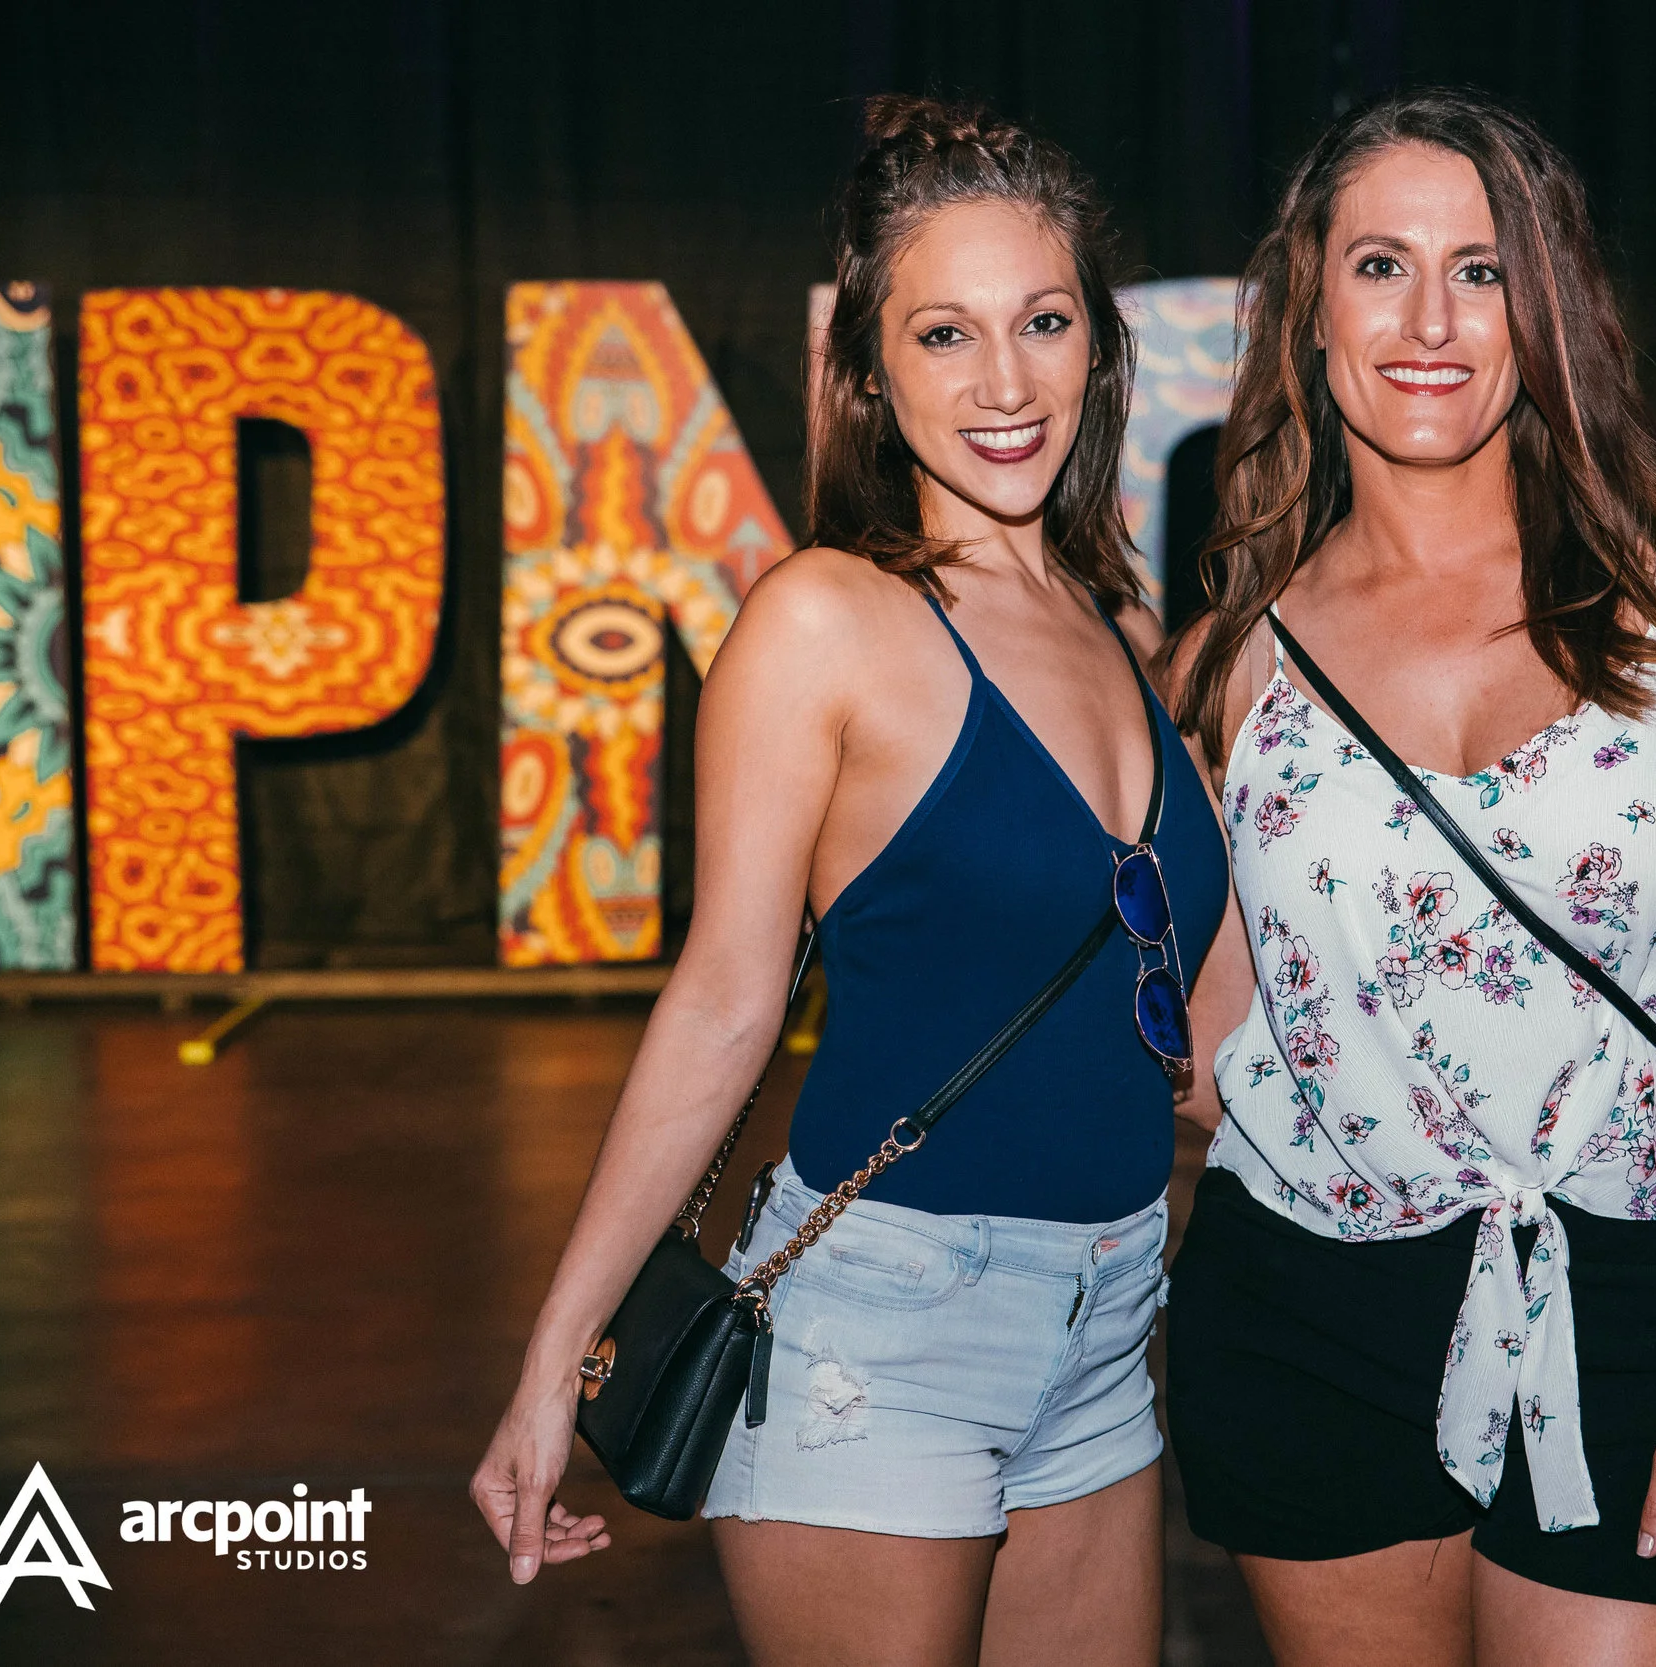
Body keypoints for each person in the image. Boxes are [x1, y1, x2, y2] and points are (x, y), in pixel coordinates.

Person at [472, 96, 1227, 1667]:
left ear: (1100, 343)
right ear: (871, 371)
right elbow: (725, 1000)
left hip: (1108, 1323)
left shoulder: (1119, 630)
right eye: (944, 334)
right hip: (883, 1329)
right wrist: (557, 1364)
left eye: (1043, 321)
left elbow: (1196, 1029)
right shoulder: (826, 619)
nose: (1005, 382)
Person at [1161, 88, 1656, 1665]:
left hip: (1649, 1297)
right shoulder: (1229, 665)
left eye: (1481, 272)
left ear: (1544, 310)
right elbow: (1212, 1047)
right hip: (1308, 1307)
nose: (1430, 321)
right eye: (1381, 265)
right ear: (1309, 313)